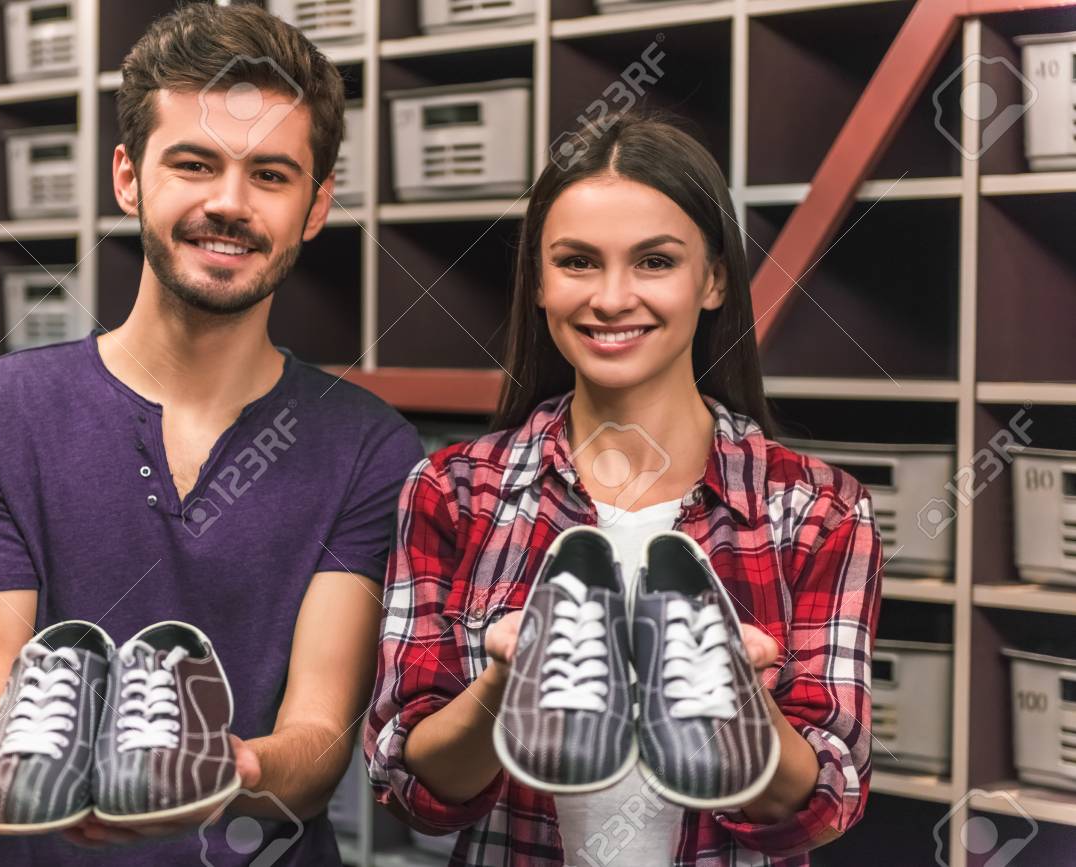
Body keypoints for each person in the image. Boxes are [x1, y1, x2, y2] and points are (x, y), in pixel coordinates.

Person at [0, 5, 423, 865]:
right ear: (129, 177)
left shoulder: (370, 447)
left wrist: (230, 770)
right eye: (195, 164)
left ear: (316, 204)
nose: (228, 204)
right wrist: (34, 764)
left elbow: (317, 741)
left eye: (271, 175)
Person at [365, 112, 882, 866]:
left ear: (712, 280)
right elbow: (412, 785)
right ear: (538, 283)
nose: (611, 298)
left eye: (654, 262)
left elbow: (827, 801)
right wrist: (511, 684)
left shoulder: (818, 510)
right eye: (576, 261)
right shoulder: (453, 492)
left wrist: (738, 703)